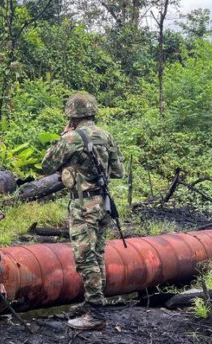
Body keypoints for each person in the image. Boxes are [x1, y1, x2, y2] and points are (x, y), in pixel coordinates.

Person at [41, 91, 124, 331]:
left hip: (83, 206)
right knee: (97, 255)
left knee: (85, 258)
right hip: (103, 203)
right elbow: (118, 172)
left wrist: (64, 136)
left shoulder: (71, 138)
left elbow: (47, 165)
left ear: (72, 115)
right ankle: (93, 304)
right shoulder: (106, 136)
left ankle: (96, 315)